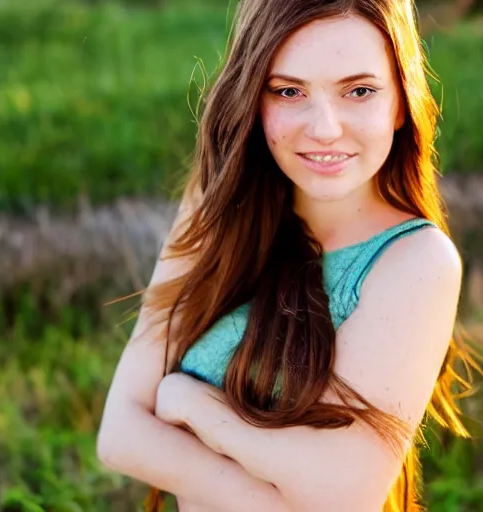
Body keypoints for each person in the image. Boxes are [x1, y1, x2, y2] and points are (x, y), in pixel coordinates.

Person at [97, 0, 481, 511]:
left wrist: (190, 405)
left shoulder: (415, 262)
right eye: (289, 90)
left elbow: (344, 495)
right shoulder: (215, 209)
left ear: (401, 100)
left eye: (359, 90)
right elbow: (120, 436)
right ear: (253, 98)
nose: (324, 128)